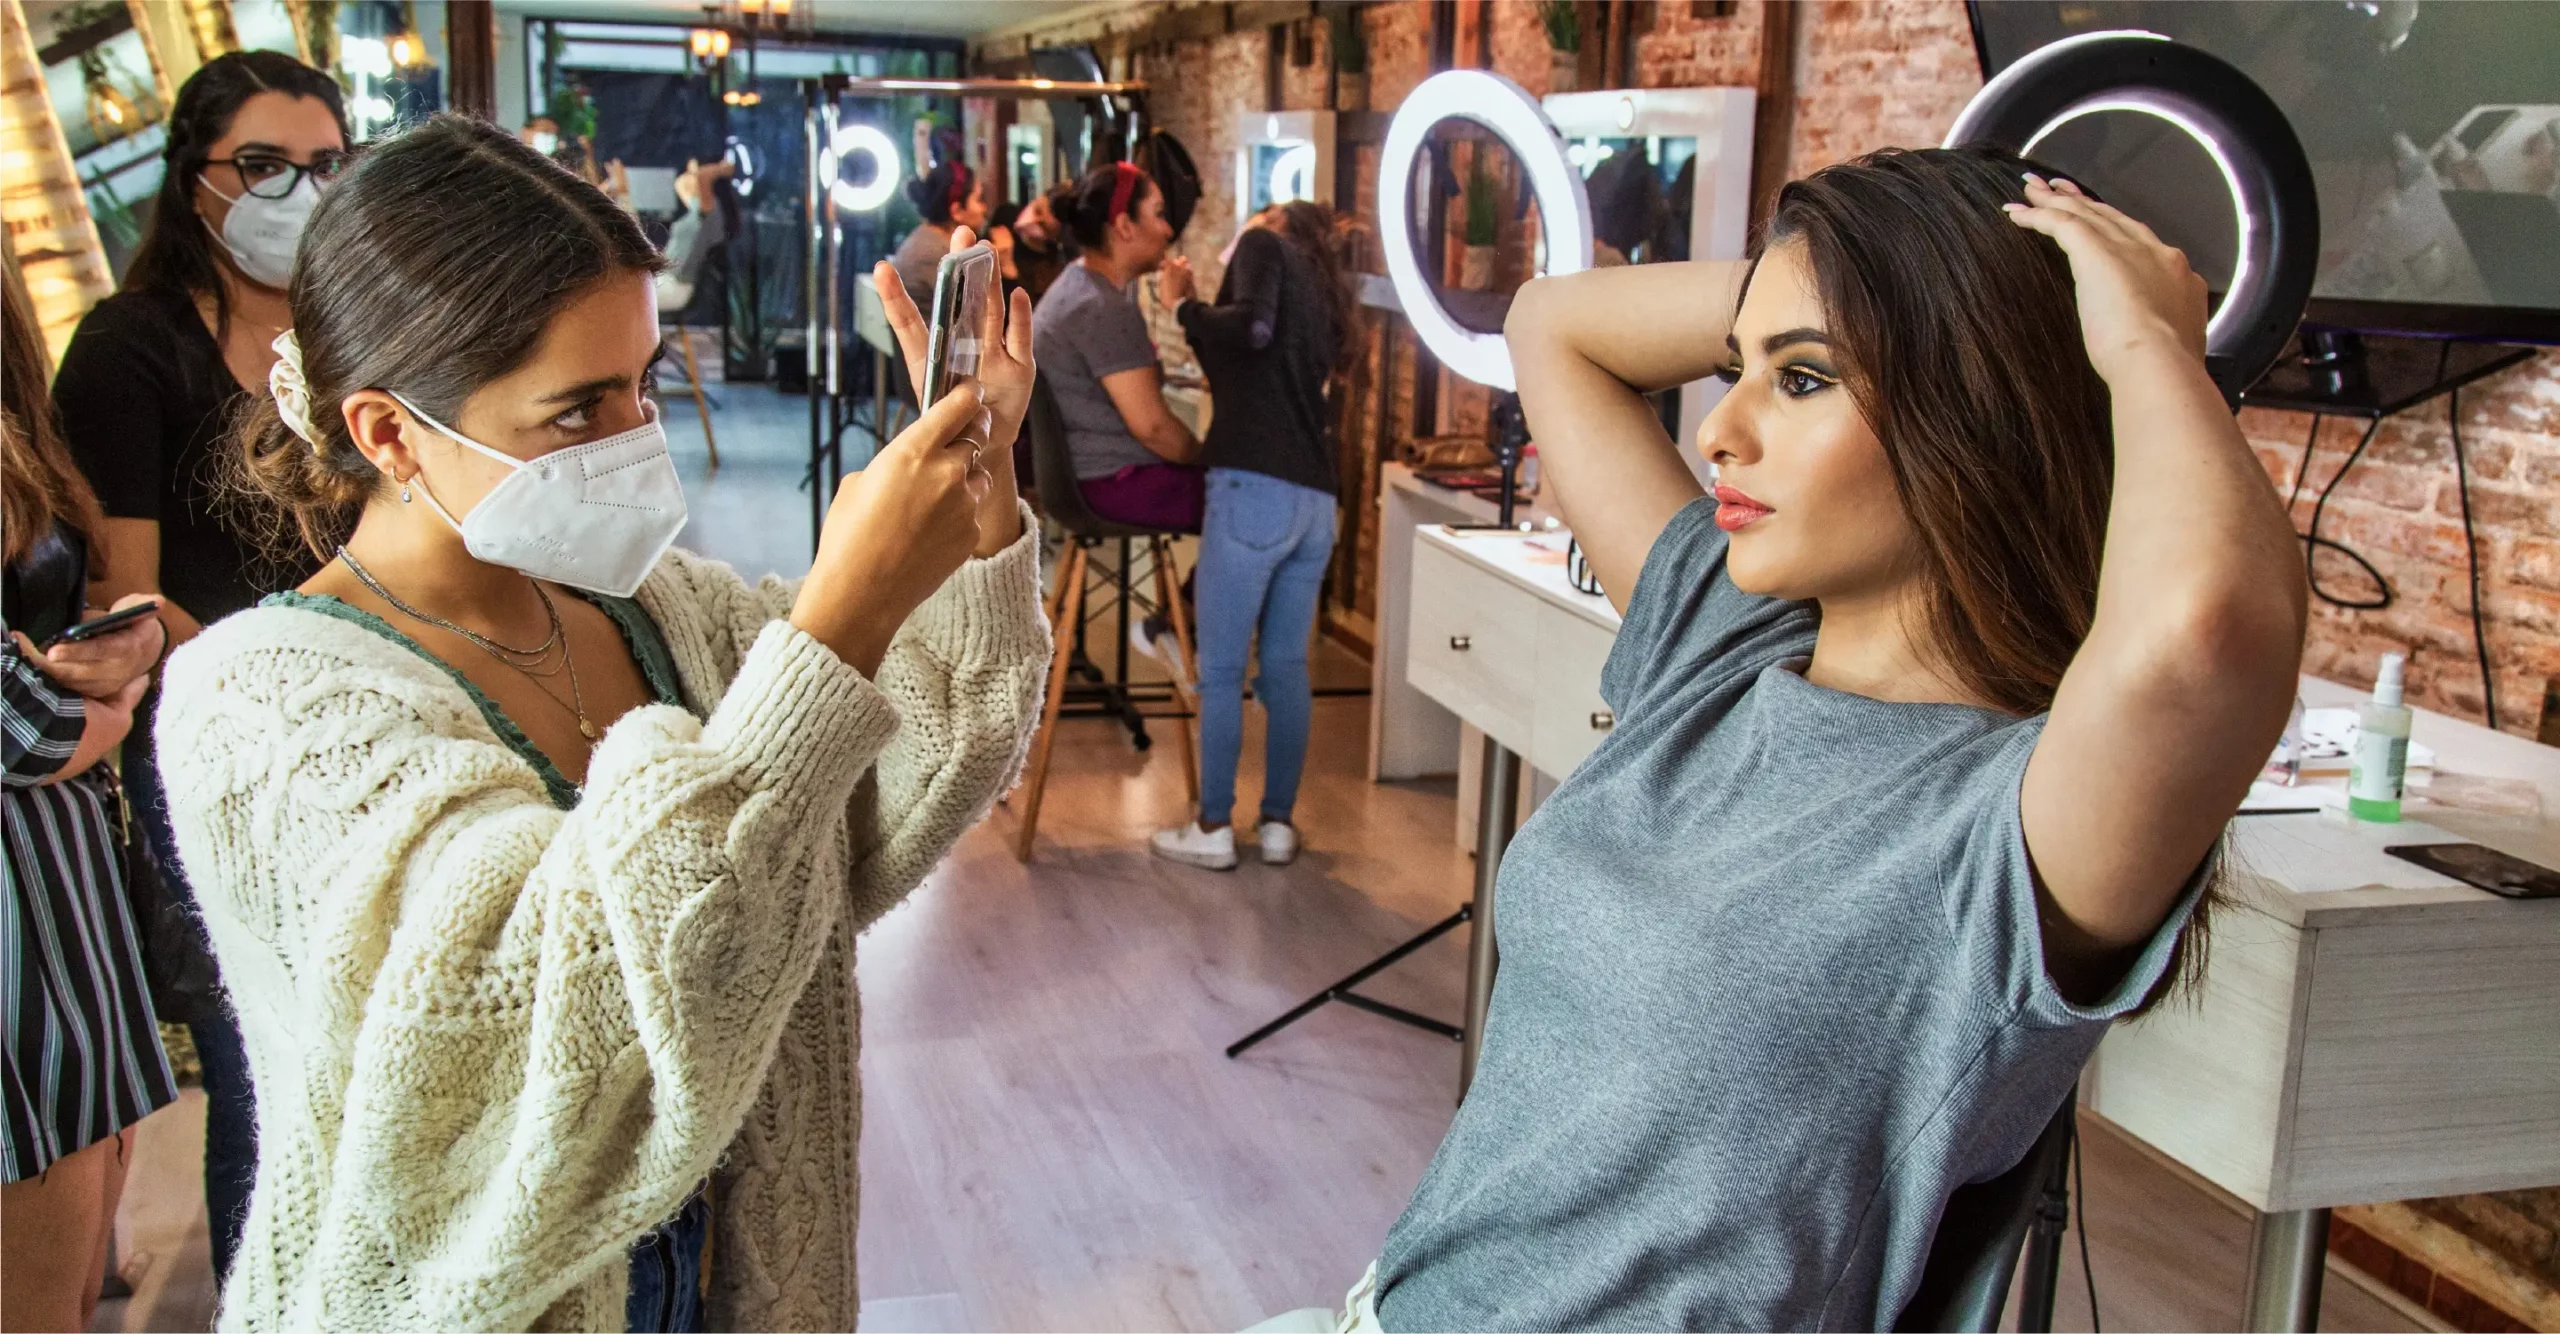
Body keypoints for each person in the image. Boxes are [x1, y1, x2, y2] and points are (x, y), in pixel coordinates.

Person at [1265, 149, 2307, 1331]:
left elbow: (2205, 636)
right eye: (1736, 367)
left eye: (1802, 378)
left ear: (1974, 403)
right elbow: (1551, 323)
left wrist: (2143, 343)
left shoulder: (2010, 827)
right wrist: (1847, 278)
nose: (1718, 428)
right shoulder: (1722, 644)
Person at [150, 115, 1048, 1331]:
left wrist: (979, 496)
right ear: (389, 431)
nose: (636, 439)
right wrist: (836, 624)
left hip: (727, 1277)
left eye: (642, 384)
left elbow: (886, 803)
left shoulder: (660, 609)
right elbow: (559, 1027)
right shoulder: (258, 707)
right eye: (577, 411)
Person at [49, 47, 347, 1289]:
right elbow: (123, 601)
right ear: (196, 179)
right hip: (214, 745)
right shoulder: (132, 349)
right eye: (263, 164)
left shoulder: (351, 333)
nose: (297, 193)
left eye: (325, 165)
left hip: (362, 732)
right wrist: (282, 660)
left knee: (351, 1063)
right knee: (253, 1066)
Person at [0, 246, 178, 1334]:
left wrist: (123, 650)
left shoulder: (22, 413)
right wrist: (103, 708)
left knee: (81, 1195)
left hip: (63, 873)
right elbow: (24, 723)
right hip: (15, 907)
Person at [1147, 202, 1356, 870]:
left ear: (1278, 226)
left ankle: (1213, 826)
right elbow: (1248, 357)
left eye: (1259, 214)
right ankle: (1277, 825)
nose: (1247, 225)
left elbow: (1251, 329)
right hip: (1316, 500)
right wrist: (1197, 313)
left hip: (1252, 491)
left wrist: (1181, 307)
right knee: (1287, 667)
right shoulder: (1319, 292)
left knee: (1221, 670)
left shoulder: (1266, 248)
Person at [1029, 161, 1205, 530]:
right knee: (1256, 498)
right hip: (1114, 482)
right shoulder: (1101, 307)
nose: (1168, 230)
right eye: (1158, 214)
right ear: (1124, 225)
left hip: (1081, 480)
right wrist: (1212, 459)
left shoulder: (1076, 285)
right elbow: (1154, 429)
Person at [891, 158, 992, 315]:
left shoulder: (929, 239)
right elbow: (975, 317)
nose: (984, 209)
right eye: (979, 200)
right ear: (957, 211)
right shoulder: (936, 255)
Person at [989, 187, 1068, 304]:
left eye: (1042, 225)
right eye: (1037, 211)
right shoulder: (1004, 215)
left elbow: (1030, 309)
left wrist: (1009, 269)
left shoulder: (1050, 269)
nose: (1032, 220)